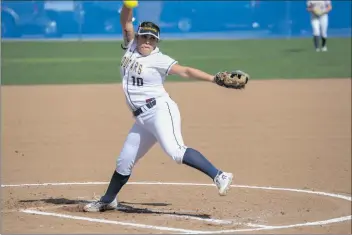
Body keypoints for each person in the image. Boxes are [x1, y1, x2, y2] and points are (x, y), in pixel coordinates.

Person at [83, 3, 243, 212]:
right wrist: (127, 5)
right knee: (124, 161)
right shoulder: (131, 45)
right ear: (138, 37)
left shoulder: (159, 59)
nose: (147, 41)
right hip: (141, 119)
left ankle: (220, 175)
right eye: (144, 37)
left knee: (175, 151)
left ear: (156, 42)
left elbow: (185, 71)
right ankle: (108, 200)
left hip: (159, 111)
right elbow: (125, 20)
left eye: (152, 39)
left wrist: (214, 79)